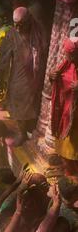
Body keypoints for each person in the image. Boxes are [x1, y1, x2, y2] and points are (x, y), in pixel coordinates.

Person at [0, 7, 47, 143]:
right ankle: (21, 132)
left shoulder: (38, 32)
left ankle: (30, 128)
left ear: (29, 21)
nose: (17, 28)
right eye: (15, 24)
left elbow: (44, 51)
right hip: (19, 76)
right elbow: (3, 58)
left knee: (34, 103)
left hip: (37, 76)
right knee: (18, 102)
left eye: (21, 25)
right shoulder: (11, 34)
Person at [50, 37, 78, 175]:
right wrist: (52, 77)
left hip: (76, 120)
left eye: (71, 55)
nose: (69, 58)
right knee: (65, 147)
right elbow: (61, 79)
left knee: (74, 149)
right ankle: (68, 172)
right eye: (67, 55)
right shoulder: (67, 64)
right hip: (66, 115)